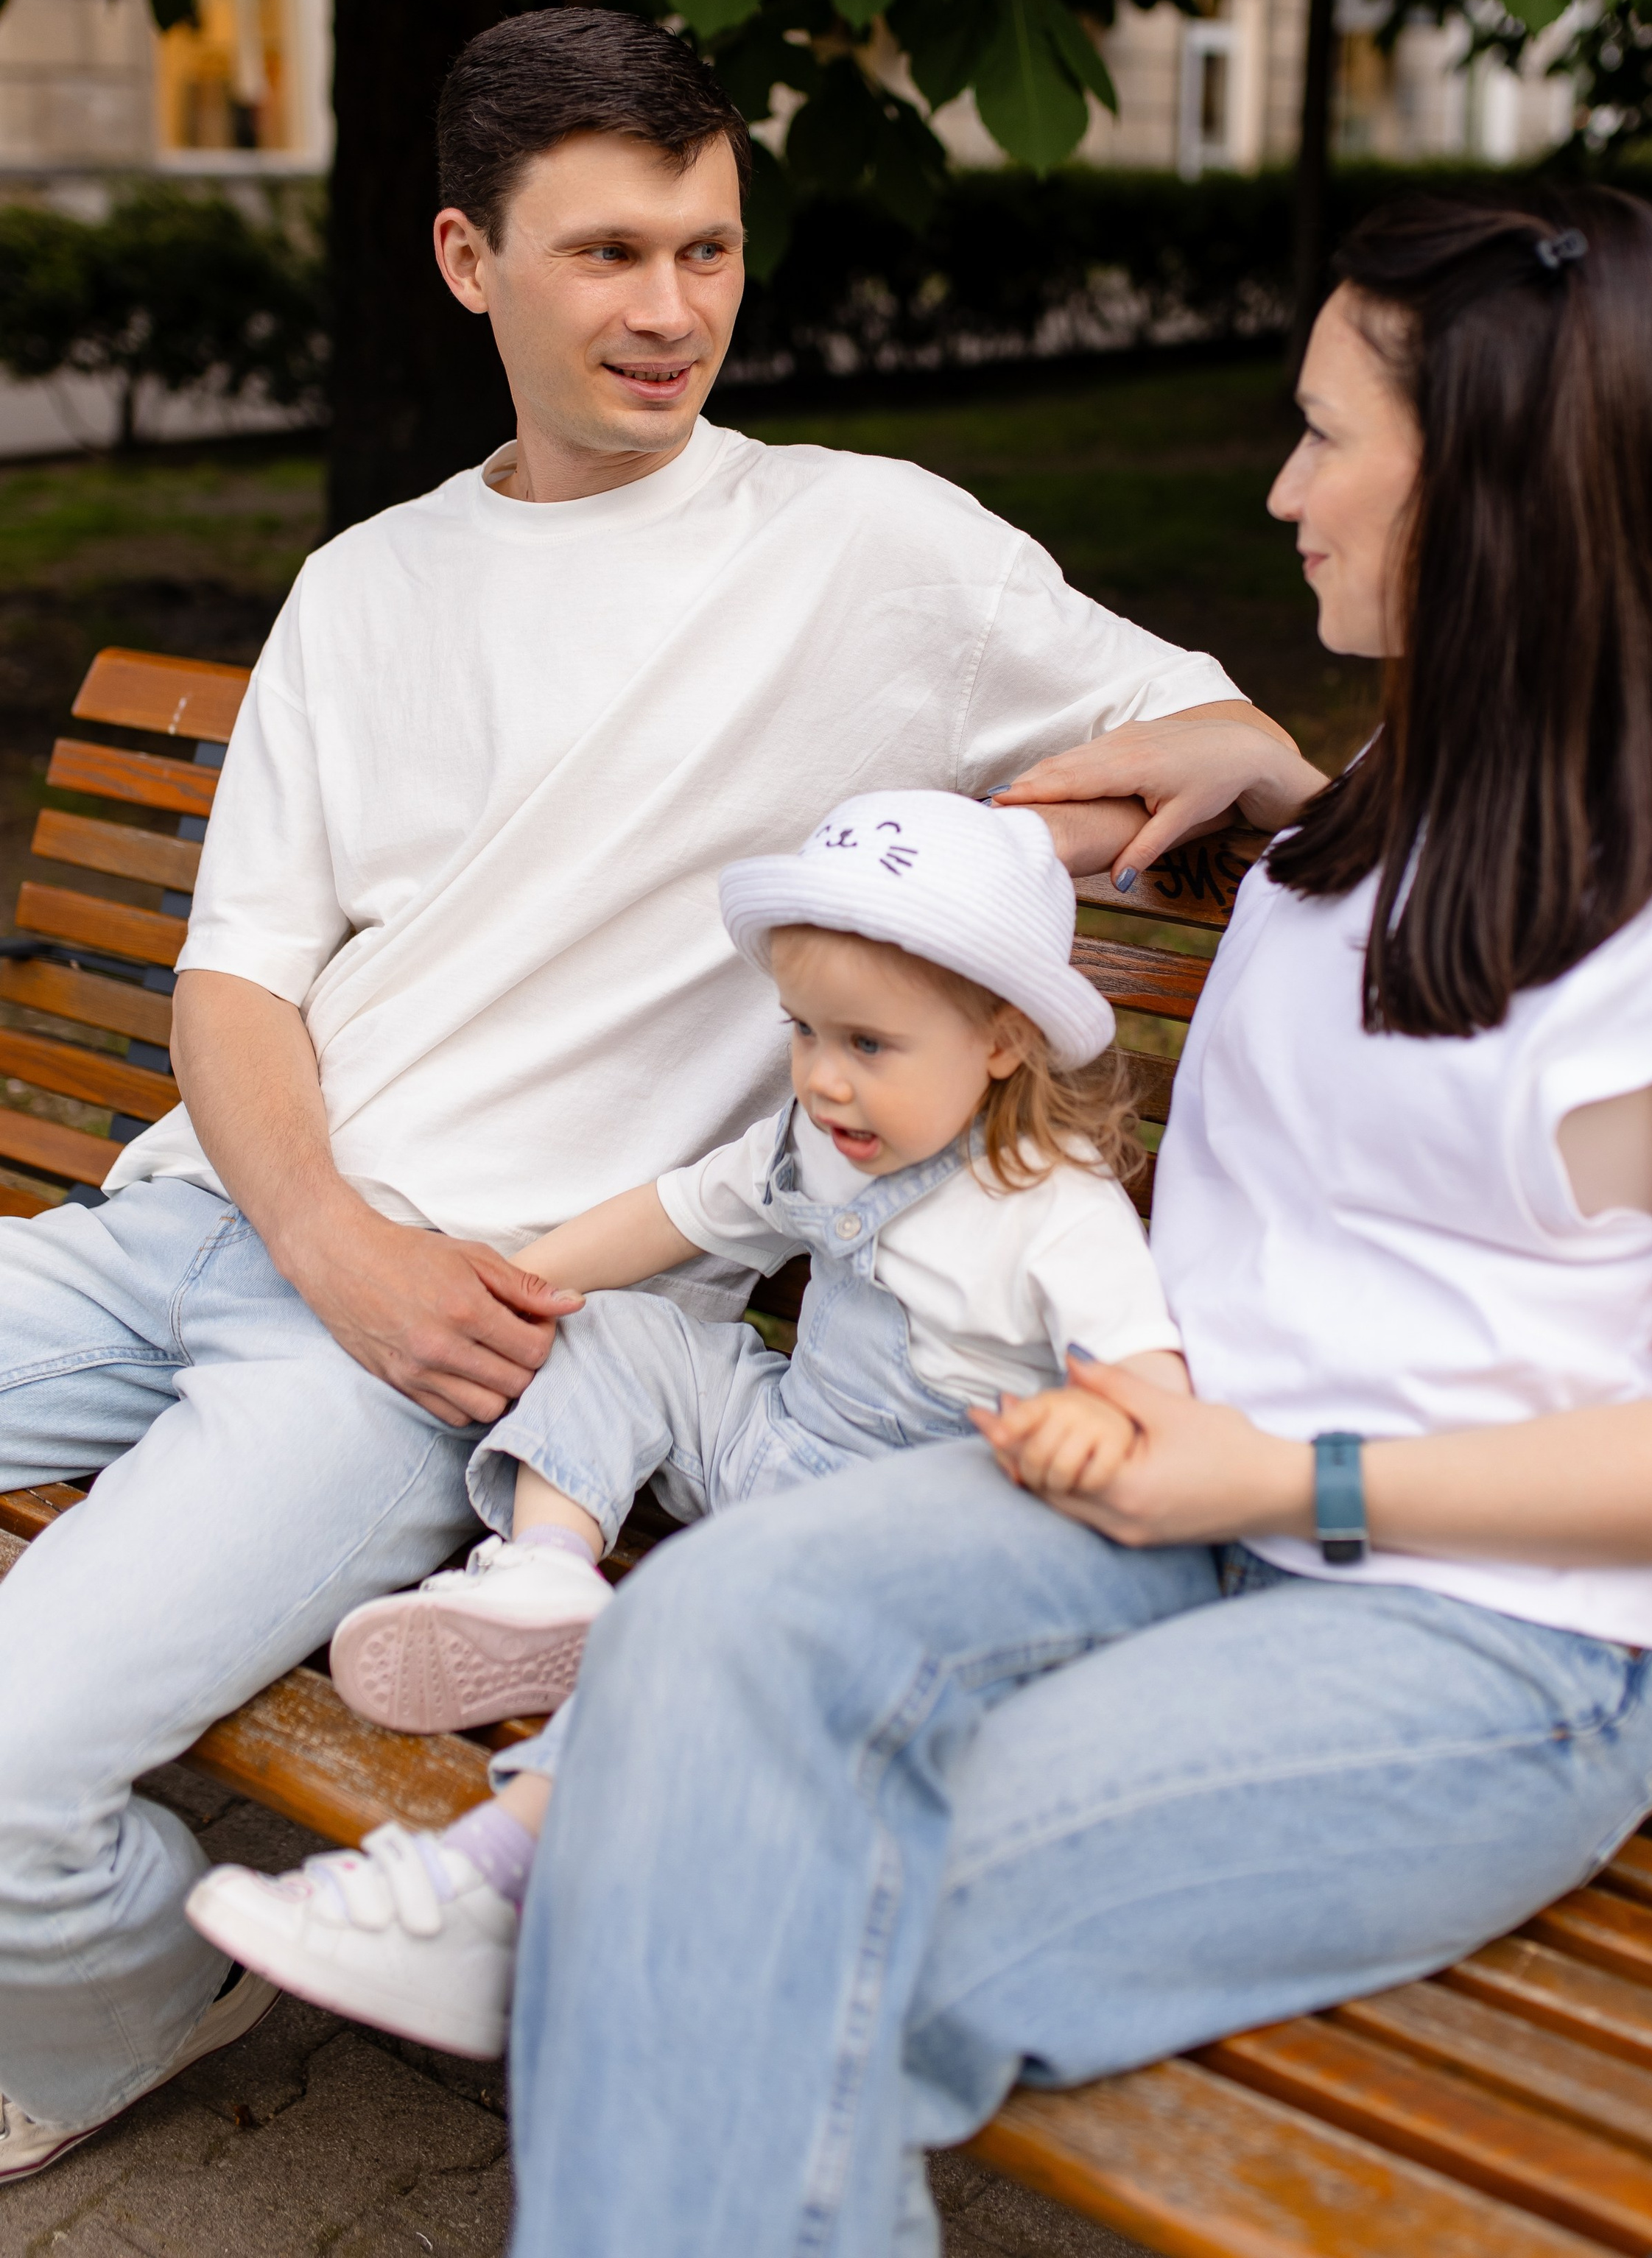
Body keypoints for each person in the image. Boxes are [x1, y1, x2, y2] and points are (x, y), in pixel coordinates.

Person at [499, 190, 1652, 2258]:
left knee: (803, 1908)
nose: (1279, 488)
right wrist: (1262, 769)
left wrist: (1293, 1468)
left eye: (1329, 436)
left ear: (1494, 483)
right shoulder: (1391, 804)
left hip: (1485, 1641)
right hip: (1178, 1510)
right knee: (706, 1634)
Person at [0, 8, 1317, 2181]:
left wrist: (922, 855)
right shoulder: (370, 584)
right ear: (464, 259)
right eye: (609, 254)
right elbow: (233, 987)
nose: (671, 310)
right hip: (224, 1228)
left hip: (472, 1333)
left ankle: (130, 1984)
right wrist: (321, 1236)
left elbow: (1227, 747)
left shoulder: (864, 547)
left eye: (707, 250)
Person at [183, 789, 1192, 2057]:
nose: (824, 1077)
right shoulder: (818, 1143)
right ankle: (546, 1580)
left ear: (1001, 1039)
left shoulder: (1055, 1210)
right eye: (803, 1033)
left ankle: (484, 1882)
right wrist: (513, 1291)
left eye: (868, 1045)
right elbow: (671, 1215)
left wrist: (1102, 1429)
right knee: (620, 1329)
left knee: (694, 1631)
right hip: (780, 1449)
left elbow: (1153, 1393)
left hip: (897, 1545)